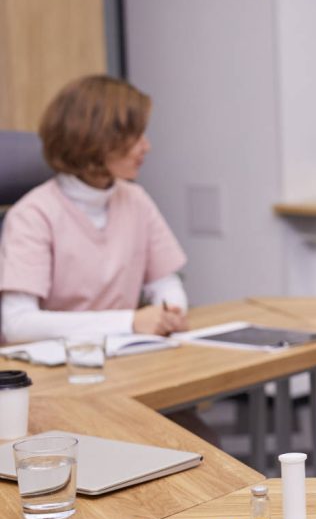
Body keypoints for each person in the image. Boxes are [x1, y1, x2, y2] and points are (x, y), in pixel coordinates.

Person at [0, 74, 189, 343]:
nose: (146, 146)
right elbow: (17, 324)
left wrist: (170, 312)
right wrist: (129, 322)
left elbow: (164, 281)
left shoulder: (136, 200)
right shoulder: (33, 215)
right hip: (63, 371)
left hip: (127, 356)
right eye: (134, 136)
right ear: (93, 139)